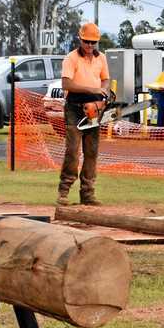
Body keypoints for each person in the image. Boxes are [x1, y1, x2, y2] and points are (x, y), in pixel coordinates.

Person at [58, 23, 110, 206]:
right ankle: (63, 191)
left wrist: (102, 93)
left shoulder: (101, 58)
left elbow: (105, 80)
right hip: (74, 107)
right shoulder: (71, 58)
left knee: (91, 152)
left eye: (93, 42)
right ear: (80, 39)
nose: (89, 46)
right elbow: (66, 84)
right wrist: (92, 89)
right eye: (86, 42)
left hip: (94, 109)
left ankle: (87, 193)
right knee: (72, 151)